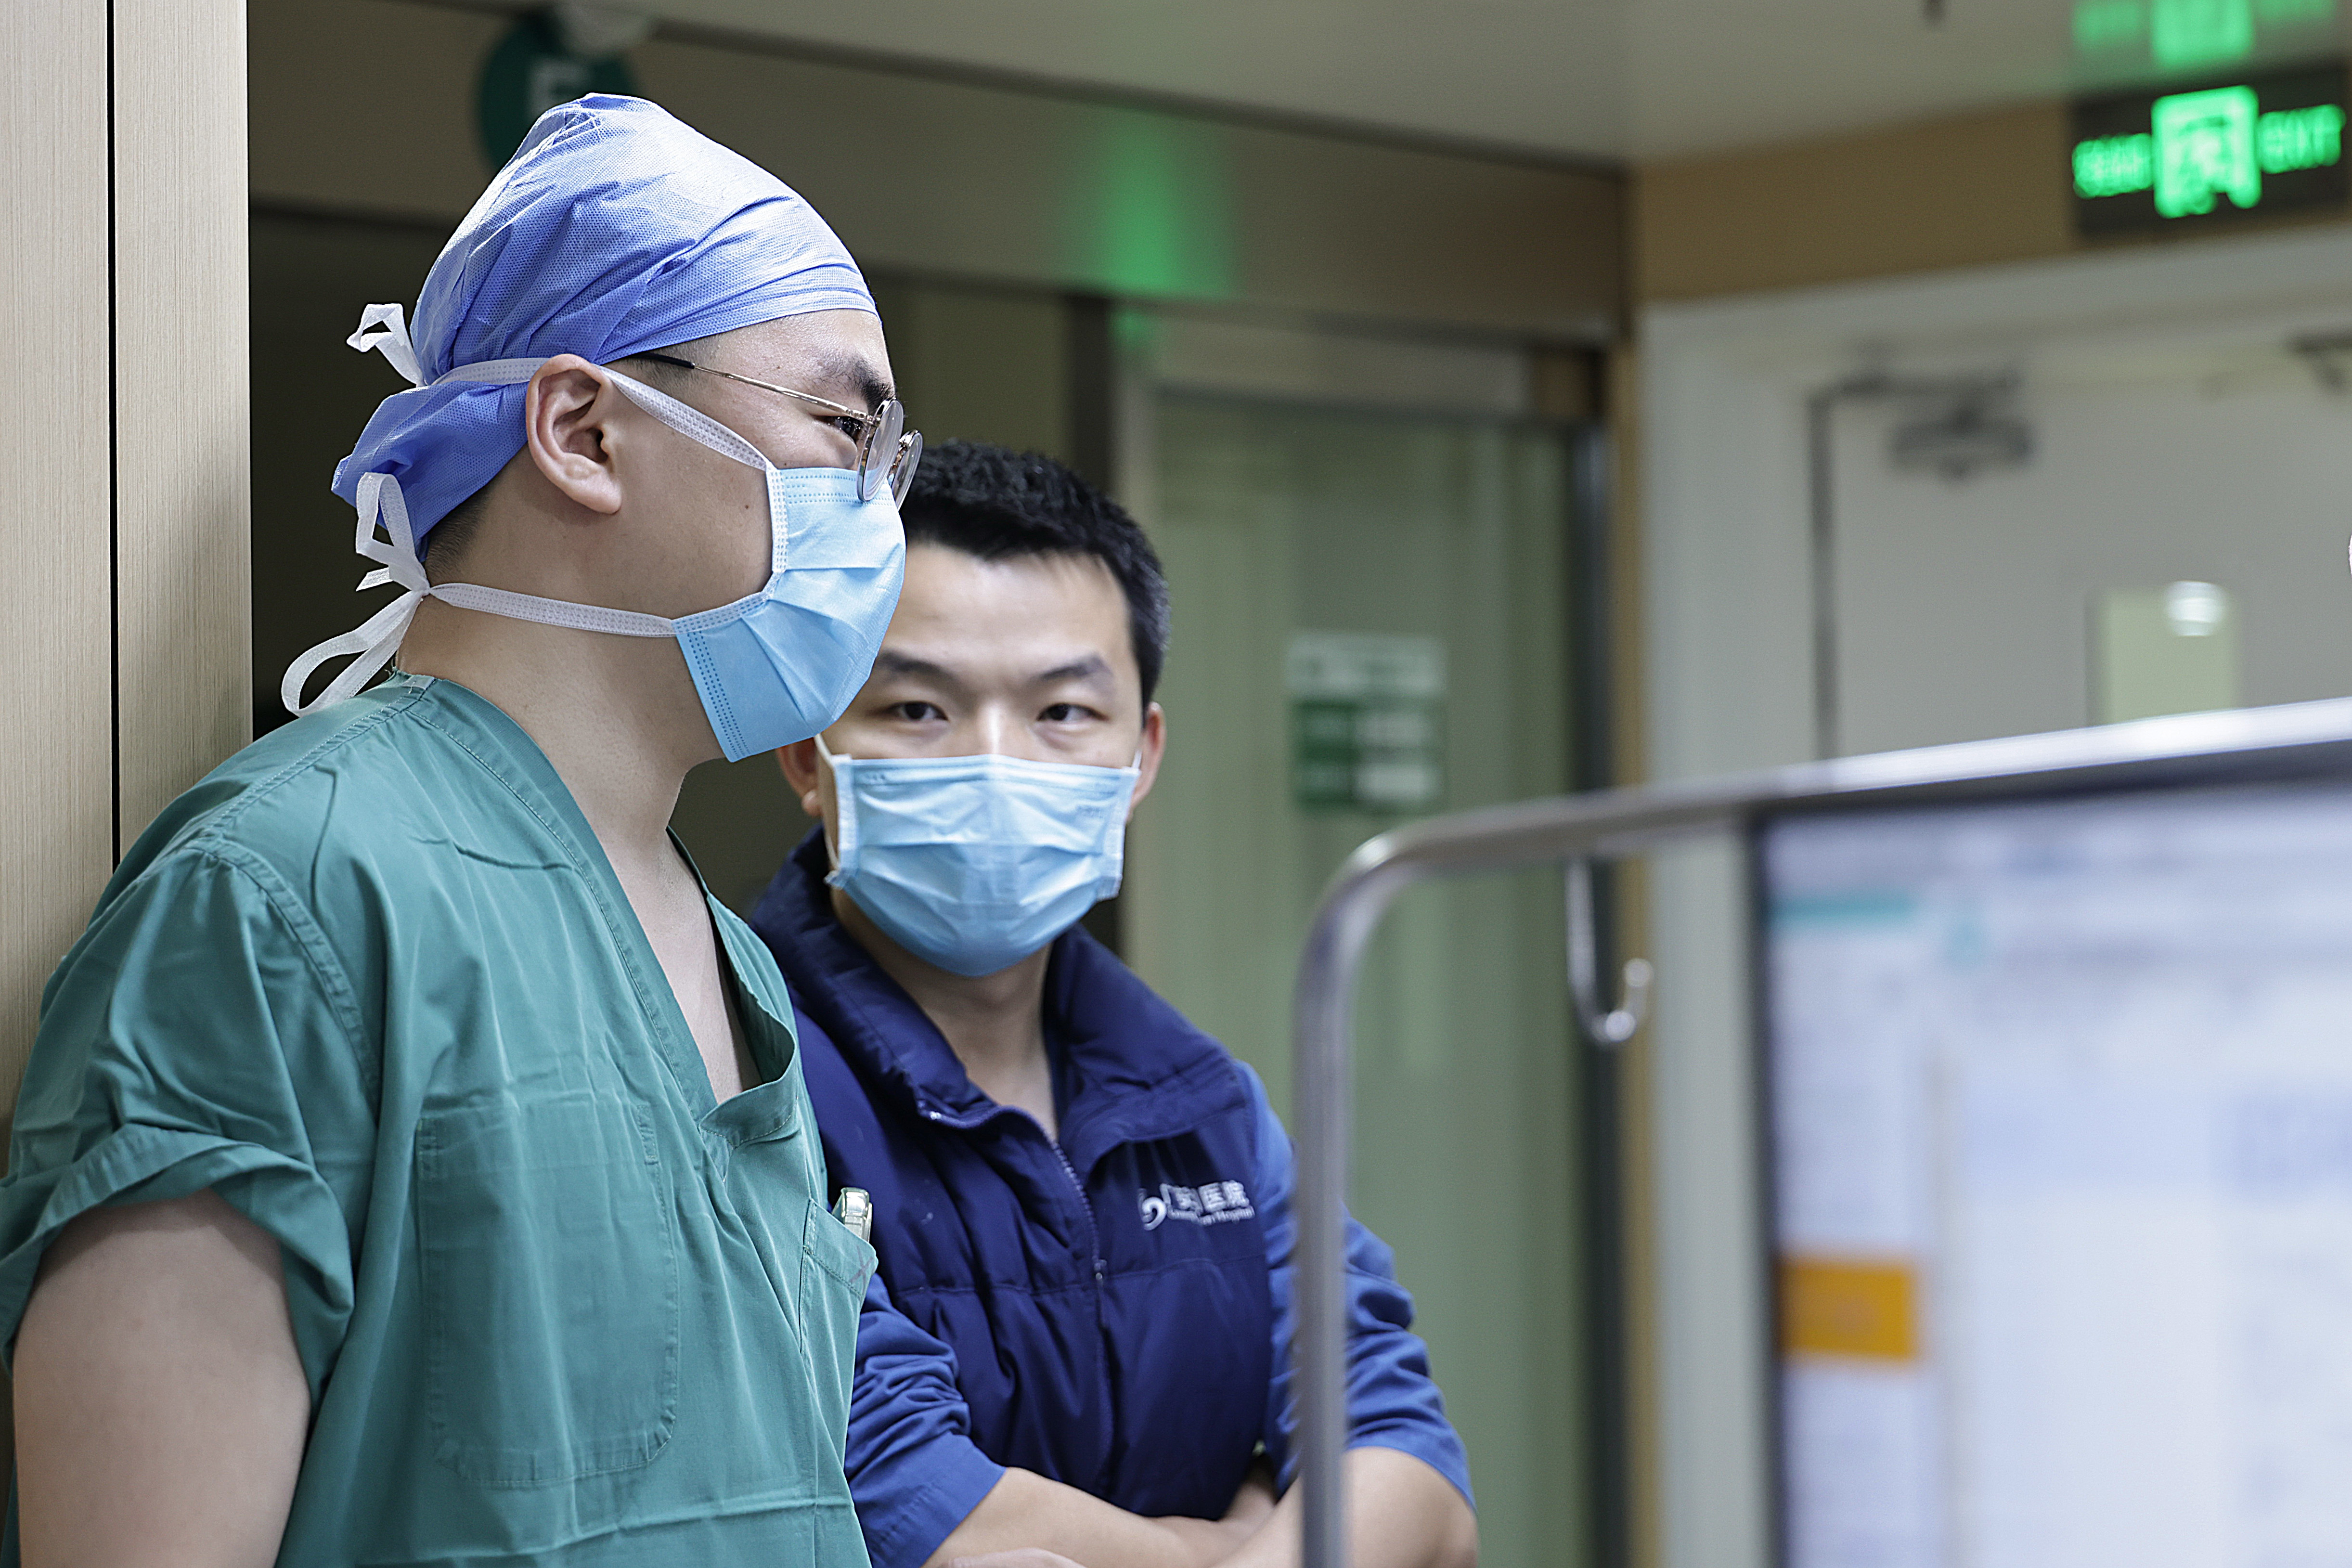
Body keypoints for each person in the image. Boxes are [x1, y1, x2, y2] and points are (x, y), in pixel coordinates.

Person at [0, 96, 915, 1567]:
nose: (877, 508)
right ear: (582, 430)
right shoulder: (287, 894)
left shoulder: (728, 958)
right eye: (843, 429)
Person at [747, 441, 1480, 1568]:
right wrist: (1233, 1544)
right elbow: (894, 1494)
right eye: (918, 708)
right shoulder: (734, 1072)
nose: (997, 764)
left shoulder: (1202, 1104)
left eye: (1062, 712)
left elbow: (1404, 1464)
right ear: (808, 750)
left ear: (1140, 757)